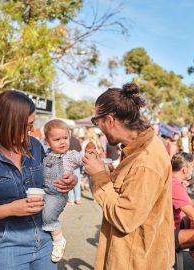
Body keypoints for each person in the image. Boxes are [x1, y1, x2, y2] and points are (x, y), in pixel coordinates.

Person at [0, 91, 76, 270]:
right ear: (6, 122)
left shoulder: (34, 145)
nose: (30, 131)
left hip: (45, 238)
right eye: (26, 126)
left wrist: (67, 180)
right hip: (7, 244)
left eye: (31, 125)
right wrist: (10, 209)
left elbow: (50, 179)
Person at [83, 83, 174, 269]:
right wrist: (107, 172)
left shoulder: (145, 160)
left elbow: (125, 218)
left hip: (136, 261)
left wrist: (99, 175)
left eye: (96, 121)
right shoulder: (138, 148)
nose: (97, 126)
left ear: (109, 120)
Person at [42, 119, 84, 262]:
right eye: (57, 139)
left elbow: (82, 158)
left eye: (65, 138)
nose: (62, 142)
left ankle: (58, 239)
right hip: (45, 191)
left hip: (58, 194)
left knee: (48, 216)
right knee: (40, 212)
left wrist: (90, 153)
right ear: (47, 141)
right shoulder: (46, 154)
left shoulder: (71, 155)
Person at [67, 132, 83, 205]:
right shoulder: (76, 140)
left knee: (69, 182)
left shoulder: (65, 140)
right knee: (77, 182)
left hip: (68, 164)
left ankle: (71, 200)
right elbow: (80, 151)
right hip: (76, 164)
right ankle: (78, 199)